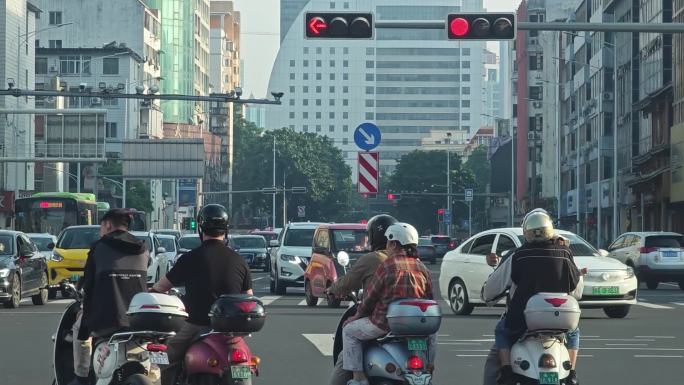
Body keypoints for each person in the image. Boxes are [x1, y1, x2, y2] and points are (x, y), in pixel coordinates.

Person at [152, 204, 253, 385]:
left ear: (201, 228)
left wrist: (150, 293)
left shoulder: (189, 258)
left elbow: (160, 287)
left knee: (164, 360)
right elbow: (249, 298)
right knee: (244, 361)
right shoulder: (239, 261)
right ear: (226, 230)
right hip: (230, 331)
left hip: (195, 325)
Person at [482, 210, 582, 385]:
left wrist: (488, 297)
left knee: (500, 334)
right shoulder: (566, 254)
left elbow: (490, 292)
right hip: (561, 323)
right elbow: (577, 290)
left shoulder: (518, 256)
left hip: (521, 322)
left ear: (526, 232)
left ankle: (506, 370)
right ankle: (572, 372)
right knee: (574, 332)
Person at [341, 223, 434, 385]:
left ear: (393, 243)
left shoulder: (388, 266)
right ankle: (430, 366)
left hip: (384, 324)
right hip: (418, 327)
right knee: (432, 336)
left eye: (388, 243)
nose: (387, 247)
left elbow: (370, 297)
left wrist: (357, 315)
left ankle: (359, 378)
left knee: (349, 331)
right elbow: (430, 298)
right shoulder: (422, 268)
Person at [69, 209, 150, 385]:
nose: (100, 230)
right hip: (139, 321)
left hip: (107, 319)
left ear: (108, 225)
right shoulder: (143, 248)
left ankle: (81, 377)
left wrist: (85, 327)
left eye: (101, 226)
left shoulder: (98, 248)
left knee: (78, 329)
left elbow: (88, 286)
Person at [326, 214, 398, 385]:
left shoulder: (375, 259)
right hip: (409, 323)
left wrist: (331, 289)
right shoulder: (412, 262)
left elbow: (349, 283)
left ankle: (359, 378)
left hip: (380, 320)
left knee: (347, 344)